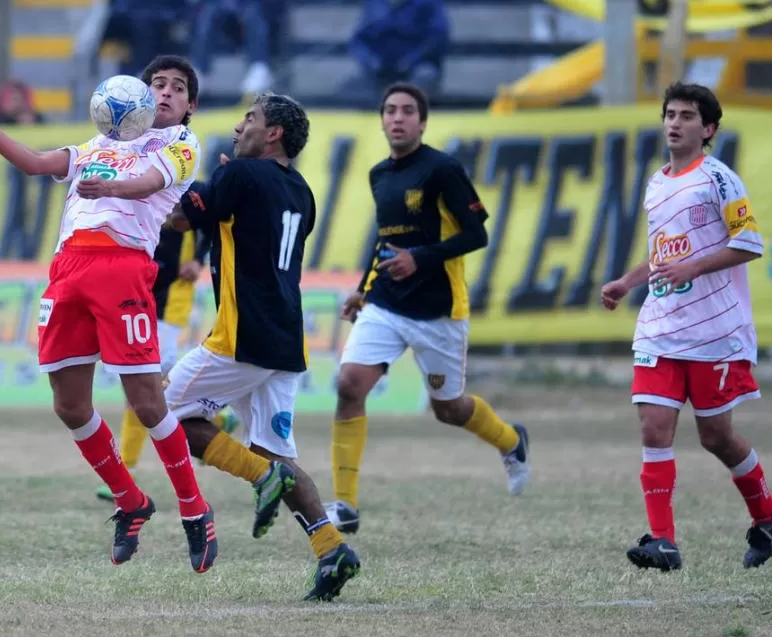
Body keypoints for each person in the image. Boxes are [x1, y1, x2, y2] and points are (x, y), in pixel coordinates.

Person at [0, 55, 218, 573]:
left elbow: (148, 184)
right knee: (70, 405)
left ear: (190, 105)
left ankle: (195, 509)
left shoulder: (181, 145)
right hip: (68, 268)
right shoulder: (96, 145)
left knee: (146, 400)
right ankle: (131, 500)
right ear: (137, 94)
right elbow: (37, 163)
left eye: (177, 88)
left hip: (122, 268)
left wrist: (110, 188)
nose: (165, 92)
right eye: (157, 84)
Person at [163, 92, 361, 602]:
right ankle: (331, 546)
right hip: (285, 340)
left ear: (272, 133)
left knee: (162, 415)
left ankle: (260, 475)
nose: (237, 127)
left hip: (241, 336)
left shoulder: (240, 176)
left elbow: (180, 218)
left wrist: (126, 190)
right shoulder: (303, 191)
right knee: (280, 455)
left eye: (249, 118)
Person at [323, 83, 530, 535]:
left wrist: (421, 258)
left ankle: (511, 440)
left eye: (407, 111)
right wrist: (364, 287)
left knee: (449, 409)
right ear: (382, 120)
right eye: (390, 110)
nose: (397, 118)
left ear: (422, 122)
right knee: (348, 385)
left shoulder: (443, 170)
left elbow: (477, 235)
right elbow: (385, 240)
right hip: (386, 305)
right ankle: (345, 504)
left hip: (438, 309)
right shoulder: (379, 174)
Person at [600, 82, 772, 571]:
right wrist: (627, 281)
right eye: (669, 114)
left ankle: (768, 516)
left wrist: (695, 268)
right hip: (661, 326)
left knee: (716, 437)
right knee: (653, 425)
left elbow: (750, 243)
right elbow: (664, 255)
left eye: (686, 115)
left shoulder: (720, 179)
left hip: (716, 333)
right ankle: (663, 541)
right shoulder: (656, 182)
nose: (674, 122)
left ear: (708, 129)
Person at [94, 226, 241, 503]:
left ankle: (128, 469)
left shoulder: (182, 188)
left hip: (170, 300)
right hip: (137, 297)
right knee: (142, 392)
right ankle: (220, 418)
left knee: (141, 390)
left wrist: (198, 258)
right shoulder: (133, 193)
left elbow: (210, 219)